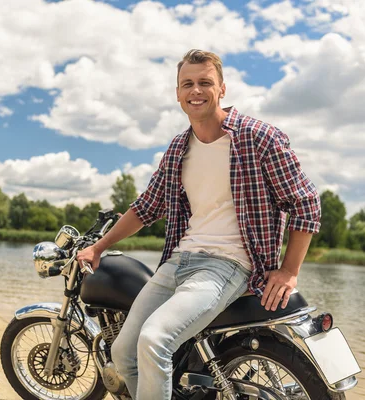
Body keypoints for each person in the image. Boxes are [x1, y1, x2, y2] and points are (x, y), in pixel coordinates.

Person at [77, 49, 321, 400]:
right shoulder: (179, 148)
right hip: (180, 261)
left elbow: (305, 202)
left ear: (222, 88)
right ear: (177, 93)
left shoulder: (258, 138)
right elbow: (147, 207)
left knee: (155, 340)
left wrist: (289, 271)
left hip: (229, 266)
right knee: (123, 353)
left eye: (205, 82)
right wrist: (98, 247)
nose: (196, 90)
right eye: (187, 84)